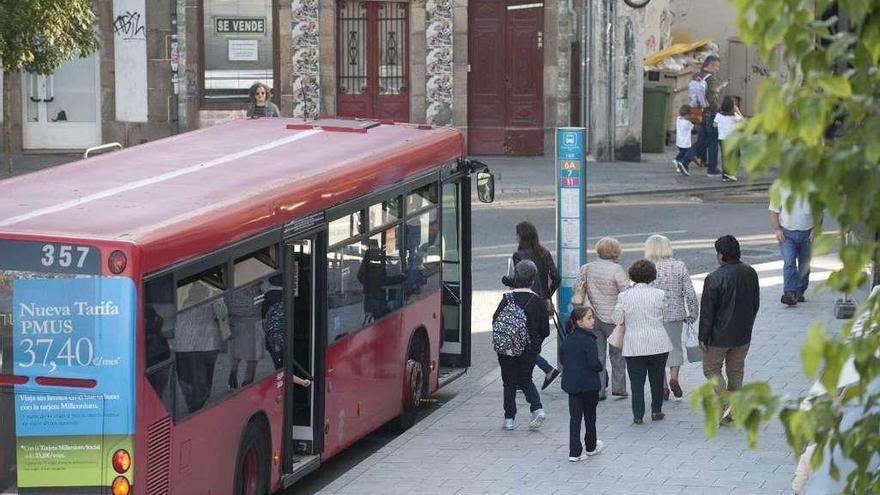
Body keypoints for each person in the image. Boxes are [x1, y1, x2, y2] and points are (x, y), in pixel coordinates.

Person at [698, 235, 760, 424]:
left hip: (718, 336)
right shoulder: (750, 272)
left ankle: (726, 404)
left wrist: (703, 337)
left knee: (711, 369)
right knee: (736, 371)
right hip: (742, 333)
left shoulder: (714, 278)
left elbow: (708, 312)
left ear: (721, 255)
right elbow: (755, 304)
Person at [501, 221, 561, 389]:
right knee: (530, 341)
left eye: (517, 234)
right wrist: (547, 294)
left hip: (525, 303)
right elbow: (556, 278)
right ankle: (526, 378)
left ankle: (547, 370)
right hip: (542, 304)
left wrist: (507, 280)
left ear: (522, 236)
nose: (516, 237)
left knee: (524, 343)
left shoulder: (519, 255)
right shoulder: (544, 253)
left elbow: (519, 280)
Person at [612, 259, 672, 424]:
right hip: (658, 342)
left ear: (632, 275)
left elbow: (617, 319)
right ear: (652, 276)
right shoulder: (659, 294)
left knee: (636, 381)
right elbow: (666, 316)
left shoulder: (624, 296)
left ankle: (638, 414)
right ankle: (656, 410)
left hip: (633, 344)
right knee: (657, 377)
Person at [571, 237, 630, 399]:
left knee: (598, 356)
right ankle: (619, 388)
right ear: (615, 251)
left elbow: (576, 287)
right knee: (617, 354)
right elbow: (626, 292)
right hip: (614, 319)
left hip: (592, 318)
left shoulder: (587, 268)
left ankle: (598, 389)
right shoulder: (617, 269)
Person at [493, 260, 547, 431]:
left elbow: (495, 320)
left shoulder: (506, 299)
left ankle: (509, 419)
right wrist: (535, 345)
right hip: (528, 349)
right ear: (533, 280)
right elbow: (545, 330)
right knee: (525, 379)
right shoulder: (537, 301)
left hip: (507, 348)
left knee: (508, 383)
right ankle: (537, 409)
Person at [645, 235, 699, 400]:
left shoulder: (647, 267)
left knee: (657, 351)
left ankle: (663, 387)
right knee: (675, 348)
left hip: (653, 314)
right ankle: (674, 378)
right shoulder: (678, 266)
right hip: (675, 314)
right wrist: (693, 313)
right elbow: (689, 292)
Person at [561, 306, 606, 461]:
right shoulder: (588, 339)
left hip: (572, 384)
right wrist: (600, 367)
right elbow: (593, 362)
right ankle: (591, 446)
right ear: (579, 321)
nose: (593, 320)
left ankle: (574, 452)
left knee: (575, 418)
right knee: (590, 416)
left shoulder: (568, 339)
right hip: (588, 384)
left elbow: (562, 359)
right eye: (589, 318)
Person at [174, 284, 224, 413]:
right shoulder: (211, 300)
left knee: (187, 377)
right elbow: (222, 314)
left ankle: (192, 403)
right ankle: (199, 404)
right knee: (204, 378)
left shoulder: (182, 303)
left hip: (182, 346)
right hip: (205, 346)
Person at [679, 55, 725, 177]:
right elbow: (711, 98)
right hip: (710, 113)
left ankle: (684, 161)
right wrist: (719, 112)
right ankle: (712, 169)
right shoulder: (711, 79)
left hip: (698, 112)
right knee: (713, 141)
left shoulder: (696, 76)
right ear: (710, 65)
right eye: (716, 66)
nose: (717, 69)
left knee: (702, 140)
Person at [769, 187, 815, 306]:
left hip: (807, 233)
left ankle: (799, 292)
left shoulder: (812, 187)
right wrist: (777, 229)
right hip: (787, 234)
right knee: (789, 261)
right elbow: (774, 211)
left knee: (805, 264)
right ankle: (789, 293)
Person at [226, 284, 265, 389]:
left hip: (234, 319)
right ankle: (248, 383)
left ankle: (233, 376)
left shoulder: (230, 280)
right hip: (252, 320)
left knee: (236, 351)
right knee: (253, 355)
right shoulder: (254, 282)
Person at [714, 95, 745, 182]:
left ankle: (725, 175)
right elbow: (743, 122)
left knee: (725, 156)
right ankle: (730, 173)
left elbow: (714, 124)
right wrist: (738, 111)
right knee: (737, 155)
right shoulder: (734, 116)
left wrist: (722, 125)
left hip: (722, 138)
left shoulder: (719, 114)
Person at [674, 104, 695, 176]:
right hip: (685, 143)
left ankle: (680, 168)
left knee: (682, 155)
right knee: (686, 155)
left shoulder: (678, 119)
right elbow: (692, 127)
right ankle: (676, 160)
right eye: (690, 115)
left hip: (679, 141)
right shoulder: (687, 123)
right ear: (687, 115)